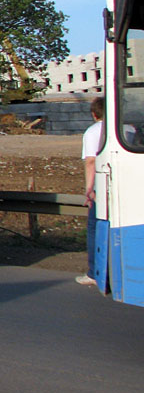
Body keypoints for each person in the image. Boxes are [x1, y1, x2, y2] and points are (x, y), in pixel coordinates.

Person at [77, 96, 105, 286]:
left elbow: (91, 162)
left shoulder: (93, 132)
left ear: (94, 114)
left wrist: (89, 190)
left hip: (102, 188)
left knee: (95, 228)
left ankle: (94, 272)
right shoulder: (128, 129)